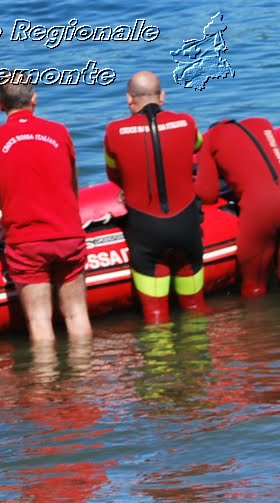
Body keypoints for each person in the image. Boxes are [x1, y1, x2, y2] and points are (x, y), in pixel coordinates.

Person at [0, 72, 91, 344]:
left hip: (28, 242)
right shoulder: (60, 132)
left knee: (39, 320)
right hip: (68, 235)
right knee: (77, 314)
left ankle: (45, 384)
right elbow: (73, 184)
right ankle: (83, 382)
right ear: (34, 99)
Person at [103, 70, 205, 323]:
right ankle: (198, 360)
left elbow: (115, 176)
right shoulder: (187, 122)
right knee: (195, 310)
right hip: (187, 227)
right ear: (162, 96)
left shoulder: (113, 132)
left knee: (156, 319)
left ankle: (159, 360)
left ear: (129, 99)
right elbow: (196, 148)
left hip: (146, 231)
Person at [194, 116, 280, 297]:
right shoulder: (262, 124)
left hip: (260, 206)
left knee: (253, 289)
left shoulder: (209, 139)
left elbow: (207, 194)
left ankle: (259, 323)